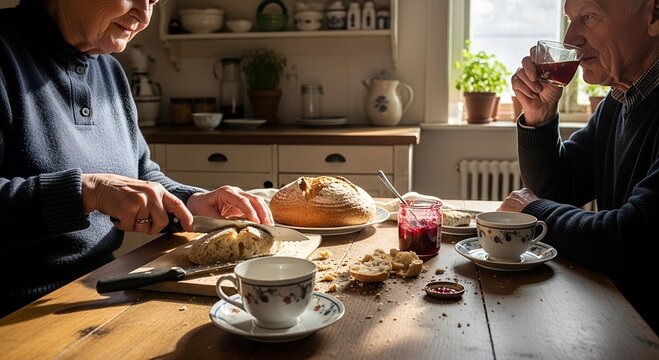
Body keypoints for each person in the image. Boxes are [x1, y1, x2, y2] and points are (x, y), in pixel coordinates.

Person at [0, 0, 273, 317]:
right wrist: (88, 191)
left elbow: (141, 173)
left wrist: (192, 201)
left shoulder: (109, 71)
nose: (143, 16)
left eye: (154, 2)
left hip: (98, 291)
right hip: (17, 310)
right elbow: (101, 188)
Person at [503, 0, 658, 332]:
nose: (571, 38)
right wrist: (539, 118)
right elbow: (561, 188)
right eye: (570, 20)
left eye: (588, 16)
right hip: (622, 322)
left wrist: (535, 211)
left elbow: (632, 240)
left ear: (654, 14)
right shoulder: (620, 102)